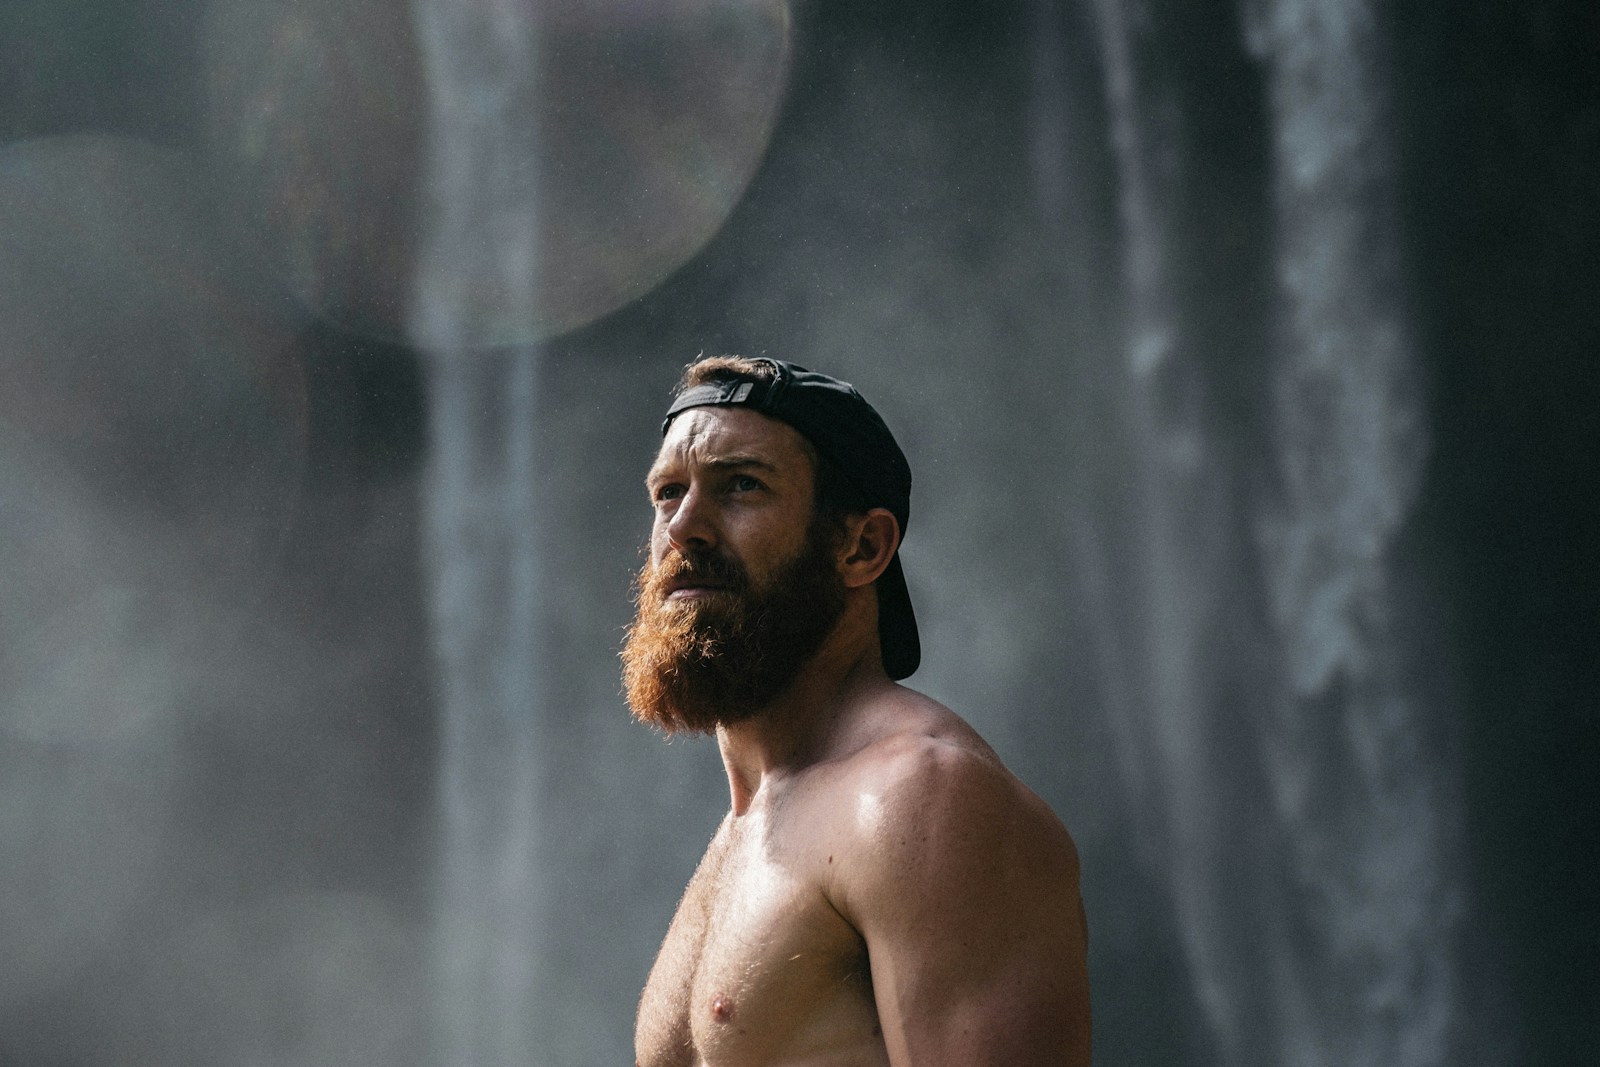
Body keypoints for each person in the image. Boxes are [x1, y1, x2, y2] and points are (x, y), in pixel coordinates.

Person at [622, 356, 1091, 1066]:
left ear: (862, 545)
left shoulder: (924, 800)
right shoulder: (747, 825)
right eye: (667, 493)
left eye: (741, 485)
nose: (684, 527)